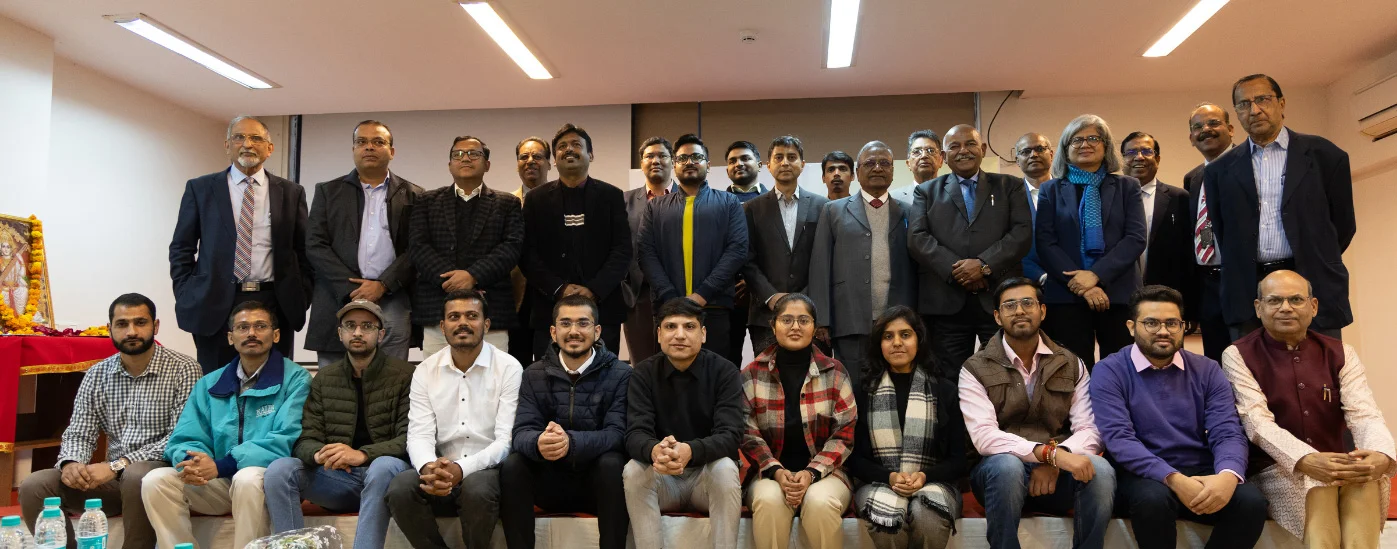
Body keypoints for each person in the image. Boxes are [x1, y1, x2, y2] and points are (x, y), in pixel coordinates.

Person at [1221, 270, 1395, 548]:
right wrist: (1305, 460)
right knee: (1318, 485)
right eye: (1274, 300)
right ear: (1259, 307)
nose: (1285, 308)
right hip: (1276, 469)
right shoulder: (1237, 354)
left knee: (1365, 478)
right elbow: (1257, 423)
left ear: (1313, 306)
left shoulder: (1340, 352)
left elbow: (1365, 413)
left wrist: (1380, 455)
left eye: (1296, 299)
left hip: (1335, 462)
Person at [1090, 285, 1267, 549]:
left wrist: (1228, 476)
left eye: (1172, 323)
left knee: (1251, 501)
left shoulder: (1207, 369)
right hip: (1141, 474)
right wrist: (1174, 479)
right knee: (1153, 500)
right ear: (1131, 326)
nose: (1163, 331)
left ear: (1183, 326)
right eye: (1151, 322)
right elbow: (1120, 440)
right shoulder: (1110, 370)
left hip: (1199, 468)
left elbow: (1227, 431)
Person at [20, 294, 199, 549]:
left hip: (160, 480)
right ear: (110, 329)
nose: (132, 331)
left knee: (138, 475)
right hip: (113, 483)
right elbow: (79, 432)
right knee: (34, 486)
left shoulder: (184, 369)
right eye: (122, 324)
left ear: (155, 326)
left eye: (140, 322)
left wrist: (116, 465)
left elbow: (179, 437)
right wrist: (72, 463)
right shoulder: (97, 374)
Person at [142, 301, 312, 549]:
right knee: (156, 480)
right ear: (231, 338)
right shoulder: (210, 383)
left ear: (275, 335)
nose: (251, 333)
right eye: (243, 327)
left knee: (246, 478)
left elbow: (286, 439)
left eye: (260, 326)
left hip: (266, 480)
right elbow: (185, 436)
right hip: (218, 482)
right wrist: (193, 463)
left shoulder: (296, 379)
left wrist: (222, 465)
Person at [960, 278, 1114, 549]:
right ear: (997, 316)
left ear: (1042, 311)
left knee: (1100, 469)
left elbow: (1090, 429)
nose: (1019, 310)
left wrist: (1055, 460)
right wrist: (1049, 455)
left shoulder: (1070, 363)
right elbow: (985, 438)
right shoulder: (974, 368)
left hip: (1057, 477)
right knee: (1006, 466)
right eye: (1010, 305)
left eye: (1027, 303)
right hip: (999, 478)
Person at [1204, 74, 1355, 340]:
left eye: (1263, 99)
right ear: (1236, 114)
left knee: (1320, 373)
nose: (1255, 110)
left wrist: (1313, 254)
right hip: (1248, 289)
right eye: (1244, 104)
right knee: (1251, 377)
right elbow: (1222, 230)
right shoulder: (1219, 171)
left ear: (1281, 103)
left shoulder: (1325, 156)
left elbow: (1342, 225)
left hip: (1313, 281)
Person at [264, 300, 414, 549]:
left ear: (381, 334)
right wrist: (322, 454)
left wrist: (361, 454)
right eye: (350, 326)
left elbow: (409, 439)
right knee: (280, 470)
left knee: (383, 465)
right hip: (339, 478)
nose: (357, 332)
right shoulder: (324, 378)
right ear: (340, 333)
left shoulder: (405, 375)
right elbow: (305, 438)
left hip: (386, 477)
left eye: (367, 326)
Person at [169, 115, 311, 374]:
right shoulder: (200, 188)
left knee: (273, 381)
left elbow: (304, 251)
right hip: (214, 302)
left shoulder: (291, 192)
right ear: (227, 145)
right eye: (239, 137)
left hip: (274, 301)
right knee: (217, 382)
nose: (247, 144)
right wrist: (187, 292)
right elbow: (181, 248)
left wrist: (301, 295)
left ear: (270, 149)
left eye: (256, 138)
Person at [384, 289, 522, 549]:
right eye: (454, 317)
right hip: (440, 464)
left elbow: (506, 441)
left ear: (486, 324)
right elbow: (419, 434)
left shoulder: (509, 367)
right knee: (400, 488)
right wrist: (428, 467)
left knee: (478, 491)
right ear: (443, 326)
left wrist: (461, 470)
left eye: (472, 316)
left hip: (487, 467)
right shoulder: (425, 370)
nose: (463, 323)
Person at [501, 294, 631, 549]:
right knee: (513, 465)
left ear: (597, 331)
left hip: (597, 484)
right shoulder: (533, 374)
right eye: (565, 323)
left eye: (583, 323)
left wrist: (570, 442)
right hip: (550, 482)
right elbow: (521, 432)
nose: (574, 331)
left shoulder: (621, 374)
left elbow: (618, 434)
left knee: (613, 463)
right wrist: (539, 442)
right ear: (553, 331)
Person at [909, 124, 1032, 380]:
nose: (963, 151)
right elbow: (918, 238)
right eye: (954, 146)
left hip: (998, 299)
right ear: (943, 156)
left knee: (1004, 375)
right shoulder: (926, 192)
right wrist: (960, 271)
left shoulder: (1010, 186)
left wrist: (983, 265)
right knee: (949, 378)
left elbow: (1021, 234)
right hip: (946, 303)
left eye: (970, 144)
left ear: (983, 149)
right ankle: (956, 423)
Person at [623, 298, 745, 549]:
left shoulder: (725, 371)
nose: (679, 335)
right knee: (633, 471)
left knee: (725, 469)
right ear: (658, 334)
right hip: (662, 479)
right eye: (670, 327)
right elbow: (635, 432)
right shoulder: (643, 373)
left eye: (689, 327)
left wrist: (690, 450)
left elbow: (731, 434)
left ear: (703, 334)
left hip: (705, 478)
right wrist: (655, 450)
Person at [740, 293, 856, 549]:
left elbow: (844, 434)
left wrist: (811, 473)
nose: (795, 327)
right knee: (769, 501)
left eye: (803, 320)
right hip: (769, 474)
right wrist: (776, 471)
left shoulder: (835, 372)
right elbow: (747, 433)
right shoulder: (751, 374)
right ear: (773, 326)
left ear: (815, 327)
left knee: (819, 502)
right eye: (787, 320)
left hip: (827, 474)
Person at [305, 120, 423, 366]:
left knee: (391, 378)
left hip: (393, 296)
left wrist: (382, 285)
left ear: (391, 151)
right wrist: (353, 289)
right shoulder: (328, 191)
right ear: (353, 150)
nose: (369, 147)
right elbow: (315, 244)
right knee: (335, 382)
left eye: (378, 142)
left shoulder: (415, 194)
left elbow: (417, 248)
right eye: (362, 142)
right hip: (339, 296)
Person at [847, 306, 964, 549]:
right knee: (888, 521)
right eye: (888, 336)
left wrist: (924, 476)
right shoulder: (862, 392)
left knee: (928, 519)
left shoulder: (944, 391)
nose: (897, 343)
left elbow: (959, 459)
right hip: (877, 483)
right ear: (879, 345)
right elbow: (854, 458)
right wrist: (888, 477)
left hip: (936, 482)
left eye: (905, 335)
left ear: (919, 341)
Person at [1035, 114, 1147, 368]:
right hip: (1067, 295)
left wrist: (1095, 275)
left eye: (1093, 138)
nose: (1085, 144)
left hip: (1118, 292)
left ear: (1105, 145)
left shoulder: (1127, 186)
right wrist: (1082, 284)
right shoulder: (1051, 190)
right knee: (1071, 370)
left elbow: (1135, 238)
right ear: (1065, 150)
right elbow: (1045, 242)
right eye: (1076, 140)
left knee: (1122, 368)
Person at [809, 141, 919, 389]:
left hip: (898, 320)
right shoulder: (833, 211)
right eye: (870, 163)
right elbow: (819, 267)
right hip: (850, 319)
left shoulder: (910, 212)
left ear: (893, 170)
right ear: (858, 172)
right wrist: (822, 319)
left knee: (896, 386)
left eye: (884, 163)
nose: (877, 168)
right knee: (853, 388)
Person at [636, 134, 749, 366]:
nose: (689, 162)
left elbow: (737, 250)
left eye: (697, 157)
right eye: (683, 158)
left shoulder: (728, 203)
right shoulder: (655, 207)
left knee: (714, 375)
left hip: (714, 307)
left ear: (708, 164)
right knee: (669, 376)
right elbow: (646, 252)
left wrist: (702, 295)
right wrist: (670, 297)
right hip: (667, 308)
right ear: (674, 165)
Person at [521, 123, 632, 357]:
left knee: (603, 377)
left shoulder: (611, 196)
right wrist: (559, 288)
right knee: (549, 379)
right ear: (554, 159)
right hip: (548, 306)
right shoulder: (536, 200)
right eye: (562, 146)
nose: (568, 150)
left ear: (590, 154)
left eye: (576, 145)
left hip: (602, 307)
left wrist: (593, 290)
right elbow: (527, 254)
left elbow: (622, 250)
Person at [409, 135, 524, 357]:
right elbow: (418, 246)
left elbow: (511, 248)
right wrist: (452, 282)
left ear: (487, 164)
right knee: (438, 383)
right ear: (450, 164)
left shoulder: (507, 203)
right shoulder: (427, 201)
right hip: (437, 310)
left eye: (474, 153)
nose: (465, 158)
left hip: (492, 311)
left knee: (492, 381)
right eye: (458, 154)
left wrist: (472, 276)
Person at [743, 136, 829, 353]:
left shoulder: (824, 206)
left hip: (812, 313)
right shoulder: (751, 209)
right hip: (766, 315)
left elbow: (825, 259)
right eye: (778, 157)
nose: (785, 163)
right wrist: (771, 296)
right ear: (768, 165)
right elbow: (746, 259)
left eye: (792, 157)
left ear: (802, 164)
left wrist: (805, 298)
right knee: (767, 381)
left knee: (815, 381)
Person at [1180, 104, 1235, 361]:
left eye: (1213, 123)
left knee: (1252, 360)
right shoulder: (1193, 177)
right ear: (1191, 138)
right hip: (1207, 284)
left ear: (1231, 129)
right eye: (1197, 127)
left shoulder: (1248, 166)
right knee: (1216, 361)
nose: (1206, 130)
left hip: (1244, 281)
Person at [1121, 132, 1194, 310]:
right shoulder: (1110, 199)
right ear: (1122, 160)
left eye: (1146, 151)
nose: (1139, 157)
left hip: (1166, 297)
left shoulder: (1179, 198)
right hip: (1120, 297)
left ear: (1158, 158)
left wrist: (1189, 306)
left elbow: (1188, 255)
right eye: (1131, 153)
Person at [624, 137, 677, 364]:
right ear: (641, 162)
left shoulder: (689, 198)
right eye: (649, 156)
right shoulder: (624, 200)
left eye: (662, 155)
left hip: (679, 292)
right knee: (642, 365)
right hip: (638, 296)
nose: (655, 160)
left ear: (673, 161)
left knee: (678, 362)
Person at [507, 136, 552, 366]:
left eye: (537, 156)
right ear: (517, 164)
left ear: (549, 163)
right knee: (516, 365)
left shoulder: (561, 200)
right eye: (524, 156)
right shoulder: (505, 203)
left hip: (552, 293)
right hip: (516, 297)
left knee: (551, 366)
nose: (530, 161)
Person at [724, 140, 769, 360]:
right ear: (726, 169)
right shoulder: (715, 203)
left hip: (765, 295)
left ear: (760, 164)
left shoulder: (773, 202)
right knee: (727, 360)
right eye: (732, 161)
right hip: (727, 295)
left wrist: (754, 284)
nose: (738, 164)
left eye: (745, 158)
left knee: (768, 360)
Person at [1015, 133, 1055, 285]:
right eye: (1026, 151)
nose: (1034, 155)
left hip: (1070, 280)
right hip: (1026, 282)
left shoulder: (1070, 191)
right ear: (1017, 161)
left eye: (1040, 149)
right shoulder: (1008, 197)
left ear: (1051, 155)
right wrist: (1040, 275)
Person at [891, 130, 943, 204]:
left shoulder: (955, 195)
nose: (924, 155)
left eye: (931, 151)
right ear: (908, 163)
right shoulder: (893, 198)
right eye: (917, 152)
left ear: (940, 161)